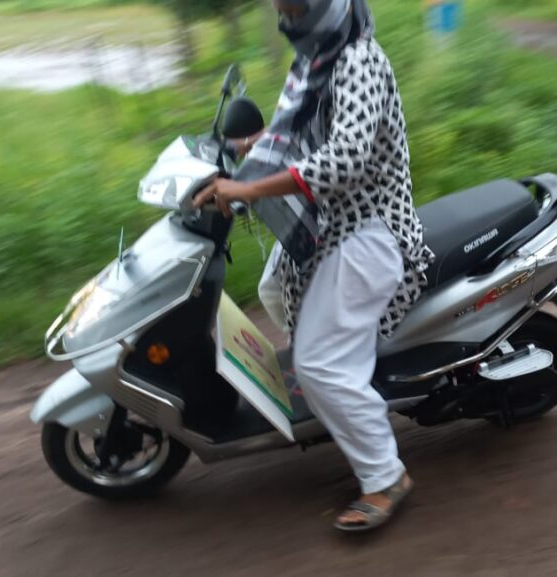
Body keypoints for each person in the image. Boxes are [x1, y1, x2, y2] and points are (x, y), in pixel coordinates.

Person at [193, 0, 433, 532]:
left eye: (295, 7)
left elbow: (345, 158)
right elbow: (300, 129)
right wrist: (251, 146)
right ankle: (339, 383)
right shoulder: (316, 58)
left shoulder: (358, 60)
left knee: (319, 363)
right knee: (272, 288)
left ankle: (385, 476)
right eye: (282, 8)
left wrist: (249, 188)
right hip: (329, 222)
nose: (287, 17)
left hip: (370, 227)